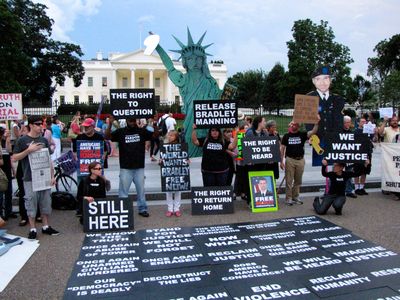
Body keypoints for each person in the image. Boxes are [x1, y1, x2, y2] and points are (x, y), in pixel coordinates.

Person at [153, 29, 222, 157]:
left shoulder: (210, 81)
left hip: (208, 122)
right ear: (185, 61)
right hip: (191, 123)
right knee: (191, 151)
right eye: (190, 59)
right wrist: (158, 47)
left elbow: (219, 99)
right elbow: (169, 66)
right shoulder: (183, 79)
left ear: (203, 61)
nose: (195, 62)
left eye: (198, 59)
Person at [13, 115, 59, 240]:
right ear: (31, 125)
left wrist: (52, 175)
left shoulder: (44, 140)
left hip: (43, 176)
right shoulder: (22, 141)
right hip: (29, 177)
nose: (41, 127)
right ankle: (32, 228)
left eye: (42, 124)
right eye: (38, 124)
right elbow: (14, 157)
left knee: (45, 202)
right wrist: (28, 150)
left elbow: (48, 159)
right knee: (31, 202)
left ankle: (45, 226)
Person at [105, 117, 152, 217]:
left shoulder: (141, 131)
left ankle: (142, 208)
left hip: (139, 166)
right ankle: (123, 209)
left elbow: (154, 135)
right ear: (126, 121)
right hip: (125, 167)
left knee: (141, 190)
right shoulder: (121, 131)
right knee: (123, 191)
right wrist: (110, 124)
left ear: (136, 120)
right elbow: (107, 136)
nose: (132, 122)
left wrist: (154, 123)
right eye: (130, 120)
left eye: (133, 120)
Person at [307, 66, 345, 166]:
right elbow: (308, 121)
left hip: (334, 140)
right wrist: (310, 135)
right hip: (318, 140)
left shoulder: (337, 99)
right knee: (321, 165)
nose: (322, 82)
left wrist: (339, 137)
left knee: (335, 166)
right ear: (313, 81)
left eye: (326, 78)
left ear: (330, 80)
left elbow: (339, 120)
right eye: (318, 79)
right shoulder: (309, 98)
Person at [280, 119, 318, 206]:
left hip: (300, 160)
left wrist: (316, 123)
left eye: (295, 124)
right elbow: (282, 149)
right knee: (289, 180)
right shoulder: (286, 136)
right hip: (290, 159)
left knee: (298, 180)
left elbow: (313, 132)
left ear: (298, 126)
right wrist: (281, 161)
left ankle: (295, 196)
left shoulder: (302, 134)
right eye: (292, 124)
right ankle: (288, 198)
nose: (293, 126)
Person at [161, 131, 186, 217]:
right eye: (169, 135)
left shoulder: (181, 146)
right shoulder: (164, 146)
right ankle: (170, 209)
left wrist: (186, 160)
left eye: (172, 135)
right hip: (168, 171)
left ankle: (177, 209)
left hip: (178, 171)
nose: (170, 137)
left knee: (178, 190)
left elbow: (184, 156)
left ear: (176, 137)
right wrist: (160, 161)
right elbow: (162, 158)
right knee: (168, 191)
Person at [353, 117, 374, 196]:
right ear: (358, 123)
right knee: (357, 171)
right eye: (362, 122)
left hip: (368, 152)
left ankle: (361, 187)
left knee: (365, 171)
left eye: (365, 122)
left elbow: (374, 139)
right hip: (358, 153)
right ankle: (356, 188)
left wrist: (375, 133)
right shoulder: (355, 131)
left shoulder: (369, 131)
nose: (364, 123)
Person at [0, 127, 15, 221]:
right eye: (3, 133)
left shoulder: (6, 142)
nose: (4, 134)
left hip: (7, 170)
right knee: (1, 195)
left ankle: (8, 212)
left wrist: (13, 169)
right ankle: (1, 214)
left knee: (9, 192)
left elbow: (10, 153)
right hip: (1, 172)